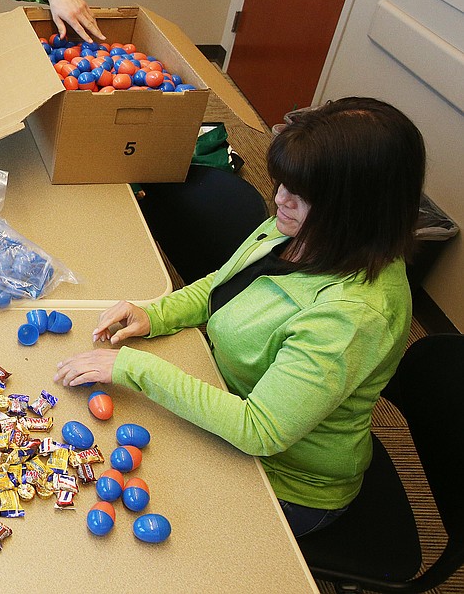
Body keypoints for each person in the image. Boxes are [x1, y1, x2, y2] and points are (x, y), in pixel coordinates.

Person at [53, 97, 426, 537]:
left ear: (358, 210)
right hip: (225, 392)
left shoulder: (353, 316)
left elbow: (259, 431)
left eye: (303, 193)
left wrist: (134, 367)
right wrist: (156, 313)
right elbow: (224, 284)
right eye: (283, 183)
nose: (280, 199)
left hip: (285, 480)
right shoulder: (300, 228)